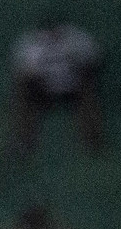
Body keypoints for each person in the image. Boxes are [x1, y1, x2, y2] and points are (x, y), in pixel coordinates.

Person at [10, 18, 103, 158]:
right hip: (43, 89)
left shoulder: (76, 38)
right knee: (24, 97)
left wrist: (76, 74)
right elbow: (23, 72)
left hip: (73, 87)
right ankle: (24, 141)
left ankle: (94, 140)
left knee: (88, 95)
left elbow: (92, 62)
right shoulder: (31, 43)